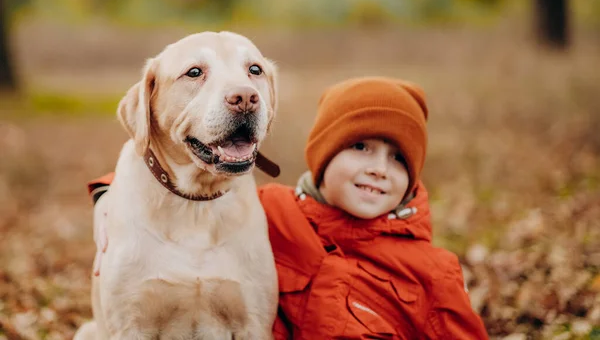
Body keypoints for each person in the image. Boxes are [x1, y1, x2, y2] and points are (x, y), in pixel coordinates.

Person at [87, 76, 488, 339]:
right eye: (360, 147)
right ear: (323, 158)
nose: (378, 169)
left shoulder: (434, 272)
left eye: (398, 158)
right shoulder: (274, 211)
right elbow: (189, 195)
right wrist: (110, 197)